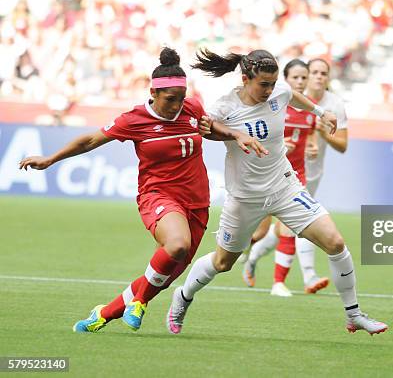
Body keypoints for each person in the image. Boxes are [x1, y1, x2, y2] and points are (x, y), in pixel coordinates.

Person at [19, 47, 264, 333]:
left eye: (181, 99)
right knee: (177, 245)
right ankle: (139, 302)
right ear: (153, 93)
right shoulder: (133, 120)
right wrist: (50, 158)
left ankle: (103, 314)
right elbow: (89, 141)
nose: (177, 106)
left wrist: (234, 134)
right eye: (170, 100)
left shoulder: (193, 108)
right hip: (158, 196)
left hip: (197, 202)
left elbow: (207, 130)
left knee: (165, 275)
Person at [166, 48, 387, 335]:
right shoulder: (225, 107)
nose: (270, 91)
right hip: (245, 197)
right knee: (222, 262)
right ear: (245, 79)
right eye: (263, 85)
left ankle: (354, 314)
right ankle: (182, 297)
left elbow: (291, 95)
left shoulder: (278, 92)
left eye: (272, 84)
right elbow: (207, 129)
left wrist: (321, 111)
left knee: (335, 242)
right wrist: (234, 134)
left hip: (284, 186)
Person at [241, 58, 322, 297]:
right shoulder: (273, 105)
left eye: (303, 78)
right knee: (260, 233)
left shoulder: (310, 110)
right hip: (266, 174)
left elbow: (311, 141)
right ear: (284, 80)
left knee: (290, 228)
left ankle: (278, 283)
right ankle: (251, 256)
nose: (300, 81)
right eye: (295, 77)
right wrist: (277, 145)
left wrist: (313, 148)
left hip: (294, 177)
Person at [294, 58, 349, 292]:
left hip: (313, 172)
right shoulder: (295, 98)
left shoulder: (334, 104)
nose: (318, 76)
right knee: (301, 221)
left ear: (328, 77)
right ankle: (308, 277)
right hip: (287, 170)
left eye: (323, 73)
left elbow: (343, 145)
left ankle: (253, 258)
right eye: (313, 72)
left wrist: (322, 132)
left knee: (281, 230)